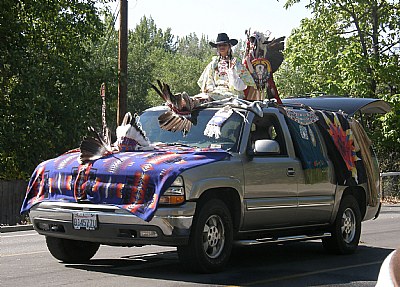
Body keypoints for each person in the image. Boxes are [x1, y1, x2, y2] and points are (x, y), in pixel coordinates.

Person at [197, 33, 255, 101]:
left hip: (232, 94)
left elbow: (241, 87)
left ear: (229, 46)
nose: (222, 47)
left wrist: (232, 72)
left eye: (224, 45)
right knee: (200, 98)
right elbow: (209, 80)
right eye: (219, 45)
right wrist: (210, 89)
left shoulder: (237, 64)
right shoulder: (213, 64)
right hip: (215, 92)